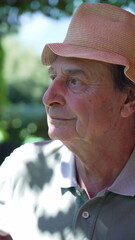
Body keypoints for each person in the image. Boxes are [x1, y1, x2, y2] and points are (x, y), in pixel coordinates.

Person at [0, 2, 135, 240]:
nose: (48, 97)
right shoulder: (22, 169)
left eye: (75, 81)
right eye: (53, 77)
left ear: (129, 100)